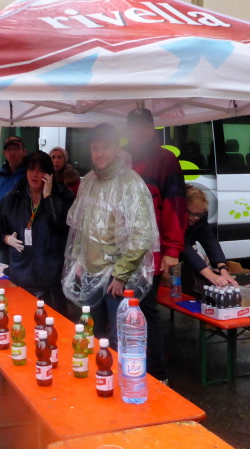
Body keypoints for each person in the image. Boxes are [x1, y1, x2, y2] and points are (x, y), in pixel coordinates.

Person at [62, 123, 159, 349]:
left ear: (117, 148)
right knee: (90, 334)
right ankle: (94, 371)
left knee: (119, 339)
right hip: (89, 273)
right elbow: (81, 225)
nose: (99, 153)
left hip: (116, 277)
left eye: (104, 147)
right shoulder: (89, 181)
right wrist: (79, 259)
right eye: (95, 148)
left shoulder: (131, 183)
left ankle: (116, 373)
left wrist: (121, 274)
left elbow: (142, 235)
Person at [124, 108, 188, 383]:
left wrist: (172, 250)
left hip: (152, 253)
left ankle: (157, 374)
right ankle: (130, 368)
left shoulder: (166, 160)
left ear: (152, 127)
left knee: (146, 311)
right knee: (126, 309)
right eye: (134, 126)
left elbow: (176, 206)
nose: (139, 131)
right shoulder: (123, 158)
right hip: (123, 253)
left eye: (143, 126)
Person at [0, 151, 74, 315]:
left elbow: (62, 226)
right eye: (31, 169)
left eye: (40, 170)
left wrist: (48, 198)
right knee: (21, 323)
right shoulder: (12, 198)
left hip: (51, 282)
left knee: (53, 324)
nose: (34, 175)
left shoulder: (63, 196)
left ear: (49, 174)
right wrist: (5, 238)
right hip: (20, 277)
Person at [181, 185, 238, 287]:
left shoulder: (200, 217)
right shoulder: (174, 217)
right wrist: (211, 275)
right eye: (192, 214)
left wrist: (223, 269)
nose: (196, 218)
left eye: (199, 215)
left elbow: (210, 241)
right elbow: (183, 246)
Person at [0, 136, 29, 264]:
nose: (12, 153)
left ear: (24, 151)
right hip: (3, 235)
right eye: (9, 150)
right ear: (4, 153)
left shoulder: (28, 176)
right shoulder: (0, 176)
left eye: (16, 149)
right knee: (4, 270)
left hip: (21, 236)